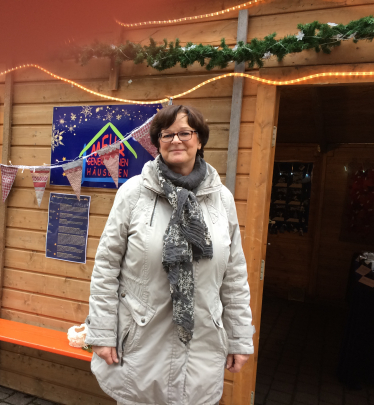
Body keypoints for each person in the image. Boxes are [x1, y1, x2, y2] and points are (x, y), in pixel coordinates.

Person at [85, 105, 254, 405]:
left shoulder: (222, 199)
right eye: (167, 134)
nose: (176, 140)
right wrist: (101, 331)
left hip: (202, 353)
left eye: (185, 133)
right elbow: (106, 267)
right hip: (141, 352)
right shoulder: (134, 193)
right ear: (158, 142)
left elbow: (234, 275)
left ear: (199, 140)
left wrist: (239, 337)